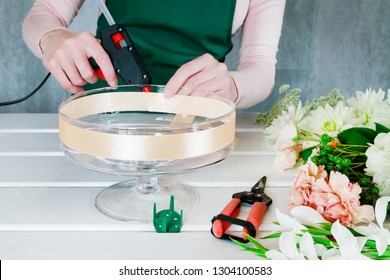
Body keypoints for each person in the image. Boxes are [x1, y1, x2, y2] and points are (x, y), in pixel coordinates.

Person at [22, 0, 285, 109]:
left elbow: (259, 66)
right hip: (100, 122)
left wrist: (233, 86)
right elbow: (45, 12)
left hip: (196, 130)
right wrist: (52, 37)